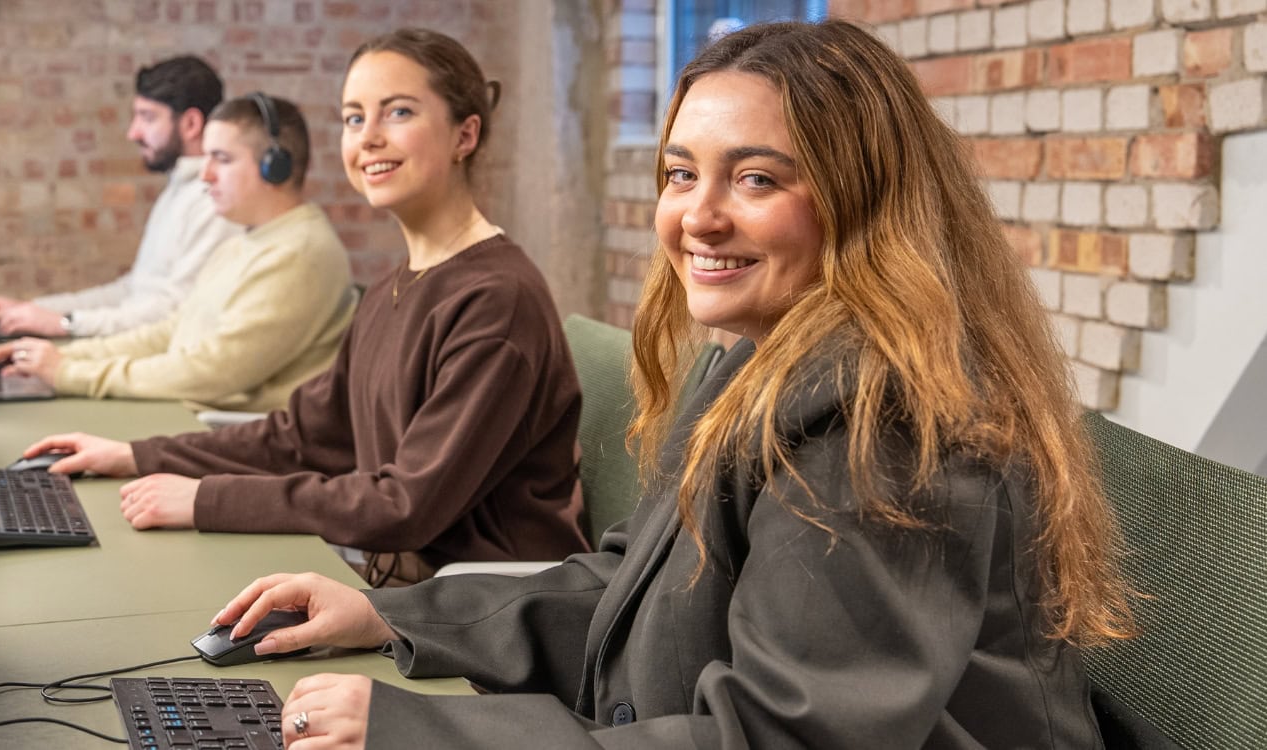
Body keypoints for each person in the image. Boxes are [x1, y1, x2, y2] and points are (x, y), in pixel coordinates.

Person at [205, 21, 1139, 748]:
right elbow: (634, 587)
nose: (698, 215)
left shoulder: (877, 421)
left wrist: (419, 728)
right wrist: (389, 615)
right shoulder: (752, 356)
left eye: (758, 179)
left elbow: (787, 739)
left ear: (864, 202)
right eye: (682, 173)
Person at [21, 29, 589, 586]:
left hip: (475, 616)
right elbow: (301, 437)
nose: (367, 138)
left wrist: (204, 499)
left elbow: (403, 504)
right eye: (353, 117)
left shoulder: (495, 301)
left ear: (465, 135)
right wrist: (137, 455)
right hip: (403, 588)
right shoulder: (401, 283)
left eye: (398, 113)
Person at [0, 94, 355, 413]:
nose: (205, 175)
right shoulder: (245, 243)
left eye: (221, 159)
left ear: (275, 166)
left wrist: (71, 375)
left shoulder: (300, 254)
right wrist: (60, 357)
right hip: (195, 420)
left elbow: (213, 370)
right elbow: (171, 332)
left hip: (238, 441)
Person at [0, 55, 240, 338]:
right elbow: (134, 291)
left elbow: (173, 313)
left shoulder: (213, 203)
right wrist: (34, 310)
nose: (133, 132)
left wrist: (66, 324)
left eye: (148, 117)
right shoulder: (180, 190)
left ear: (191, 123)